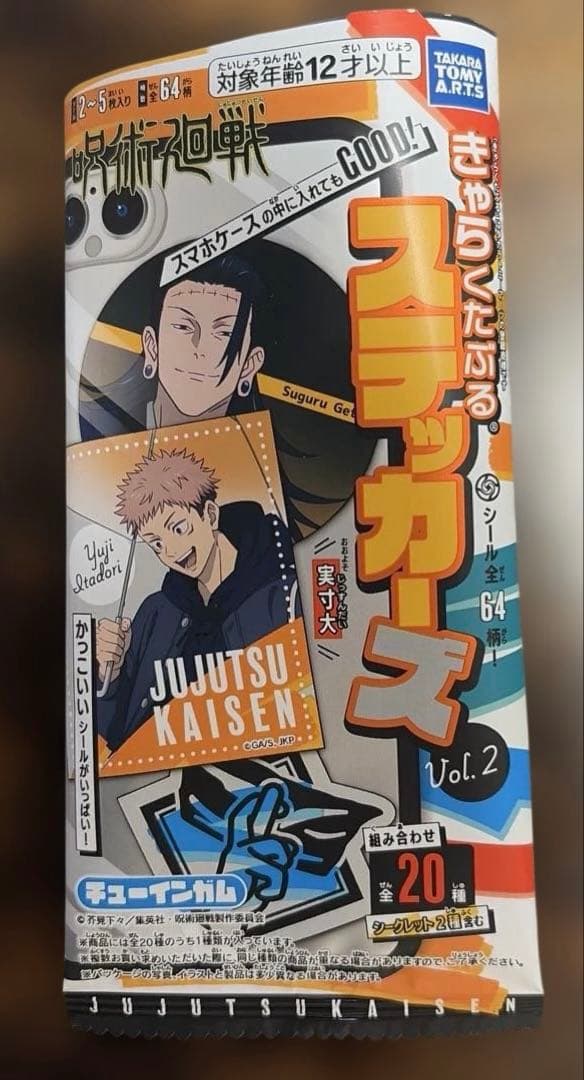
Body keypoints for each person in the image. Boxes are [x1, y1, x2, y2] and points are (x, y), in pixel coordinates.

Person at [96, 448, 298, 751]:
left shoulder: (284, 593)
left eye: (178, 528)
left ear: (210, 515)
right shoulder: (156, 612)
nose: (171, 551)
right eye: (156, 543)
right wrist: (109, 675)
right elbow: (116, 734)